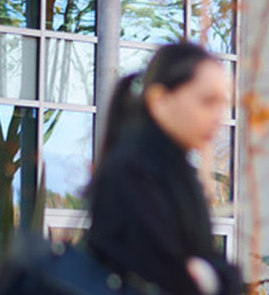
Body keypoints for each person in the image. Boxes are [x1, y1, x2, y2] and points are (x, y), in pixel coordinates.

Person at [81, 42, 243, 295]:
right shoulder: (133, 171)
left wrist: (207, 275)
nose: (218, 116)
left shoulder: (174, 170)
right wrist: (209, 276)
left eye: (222, 104)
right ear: (160, 100)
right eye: (207, 101)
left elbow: (223, 274)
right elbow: (172, 278)